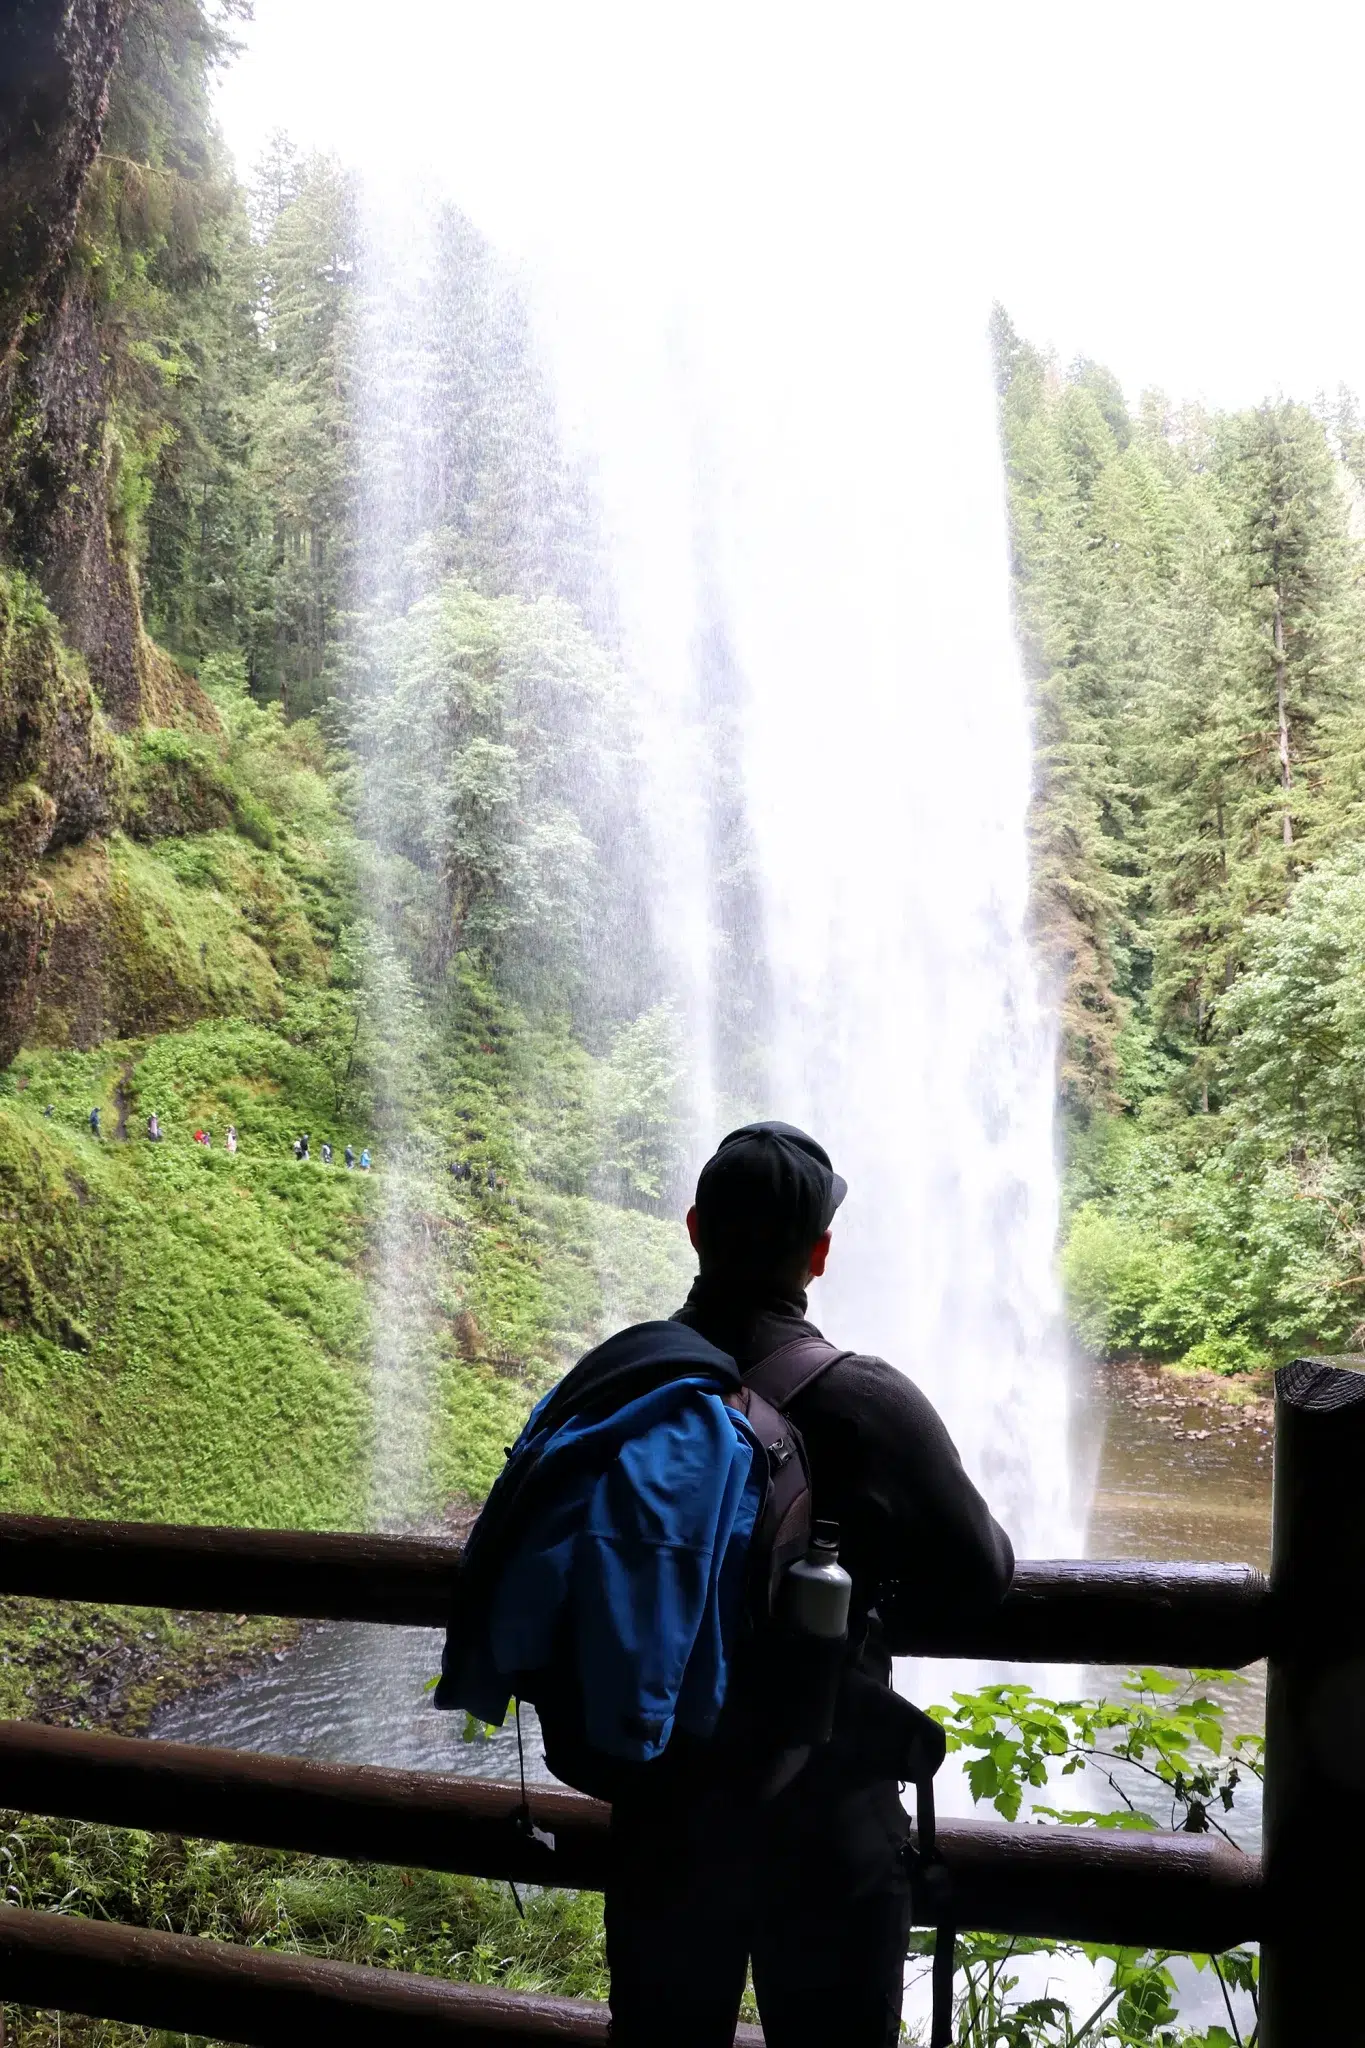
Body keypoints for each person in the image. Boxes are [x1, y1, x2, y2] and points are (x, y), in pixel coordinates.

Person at [603, 1121, 1014, 2048]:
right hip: (825, 1814)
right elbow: (983, 1573)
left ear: (693, 1228)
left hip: (662, 1812)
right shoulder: (865, 1400)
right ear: (819, 1255)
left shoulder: (624, 1385)